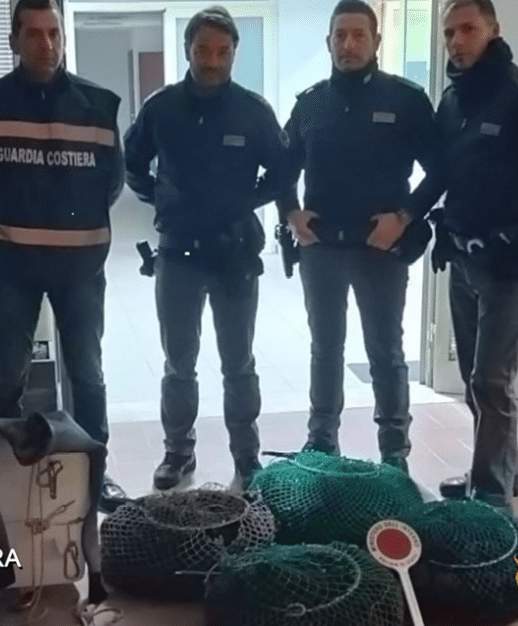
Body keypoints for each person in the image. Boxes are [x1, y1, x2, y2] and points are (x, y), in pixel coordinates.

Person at [411, 0, 518, 511]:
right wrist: (407, 213)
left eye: (467, 29)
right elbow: (441, 175)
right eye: (448, 33)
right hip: (462, 257)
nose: (456, 41)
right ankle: (501, 474)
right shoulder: (452, 101)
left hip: (510, 263)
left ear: (492, 30)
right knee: (475, 380)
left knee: (492, 380)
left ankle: (490, 497)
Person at [0, 0, 126, 513]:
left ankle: (95, 477)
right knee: (7, 378)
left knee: (87, 376)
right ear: (14, 41)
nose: (46, 44)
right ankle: (6, 478)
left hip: (80, 267)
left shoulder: (99, 105)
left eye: (54, 33)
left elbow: (112, 184)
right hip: (10, 267)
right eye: (33, 34)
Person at [124, 5, 292, 491]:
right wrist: (163, 199)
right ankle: (178, 452)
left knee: (239, 364)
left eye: (222, 51)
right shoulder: (161, 107)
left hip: (235, 254)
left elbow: (283, 170)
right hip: (177, 254)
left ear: (234, 53)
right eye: (203, 50)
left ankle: (247, 456)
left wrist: (247, 201)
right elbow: (132, 162)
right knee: (179, 364)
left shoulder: (254, 111)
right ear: (188, 50)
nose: (213, 60)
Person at [276, 0, 438, 473]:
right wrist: (291, 213)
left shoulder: (406, 101)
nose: (348, 45)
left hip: (380, 247)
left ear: (376, 41)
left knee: (385, 351)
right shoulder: (310, 104)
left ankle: (394, 452)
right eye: (340, 36)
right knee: (325, 349)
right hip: (321, 248)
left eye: (358, 35)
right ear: (328, 42)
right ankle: (321, 442)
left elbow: (440, 171)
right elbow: (282, 168)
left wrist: (405, 217)